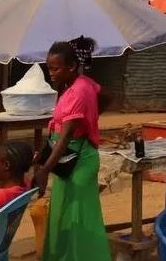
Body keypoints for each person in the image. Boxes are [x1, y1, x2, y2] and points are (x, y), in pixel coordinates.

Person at [33, 41, 110, 261]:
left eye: (55, 68)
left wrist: (45, 169)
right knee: (62, 216)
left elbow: (66, 135)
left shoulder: (79, 91)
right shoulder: (75, 85)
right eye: (49, 67)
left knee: (79, 221)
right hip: (66, 159)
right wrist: (90, 118)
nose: (51, 73)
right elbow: (106, 96)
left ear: (72, 66)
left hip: (78, 162)